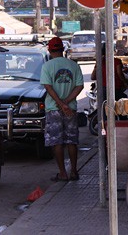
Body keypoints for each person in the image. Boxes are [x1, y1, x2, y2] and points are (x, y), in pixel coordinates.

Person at [40, 37, 84, 182]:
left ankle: (63, 173)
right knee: (72, 141)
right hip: (70, 109)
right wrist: (66, 103)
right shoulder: (74, 65)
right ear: (63, 49)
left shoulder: (47, 66)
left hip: (53, 109)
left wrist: (60, 103)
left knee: (57, 142)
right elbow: (79, 86)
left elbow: (48, 87)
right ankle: (74, 171)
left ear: (49, 50)